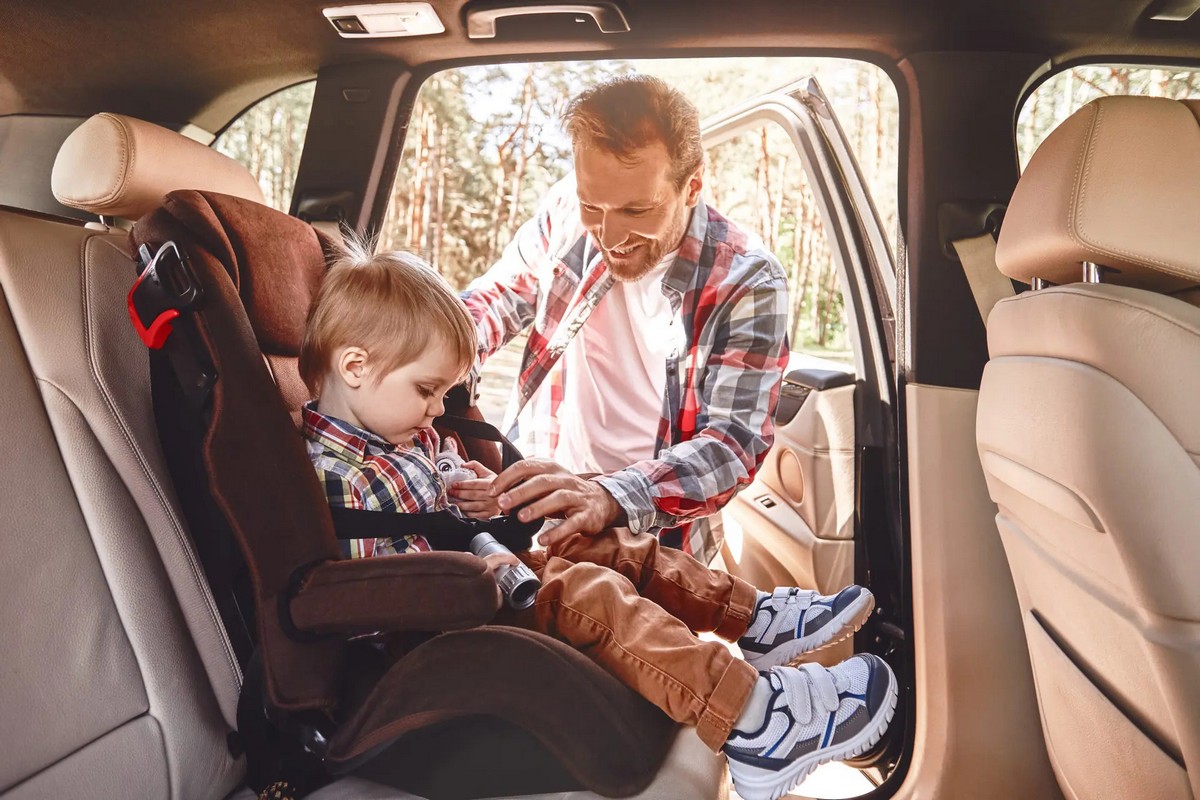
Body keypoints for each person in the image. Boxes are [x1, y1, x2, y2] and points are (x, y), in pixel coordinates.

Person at [296, 245, 898, 800]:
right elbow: (384, 582)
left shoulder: (400, 434)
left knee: (606, 545)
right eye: (427, 390)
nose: (436, 409)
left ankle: (752, 617)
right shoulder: (336, 475)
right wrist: (480, 560)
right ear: (353, 366)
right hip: (433, 619)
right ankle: (756, 721)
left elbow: (438, 475)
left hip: (483, 573)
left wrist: (474, 490)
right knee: (589, 594)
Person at [452, 75, 790, 566]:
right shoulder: (566, 210)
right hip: (535, 506)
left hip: (655, 535)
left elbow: (733, 445)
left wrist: (609, 496)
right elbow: (496, 299)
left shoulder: (749, 279)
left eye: (637, 209)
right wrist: (433, 354)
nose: (609, 235)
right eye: (594, 205)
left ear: (692, 185)